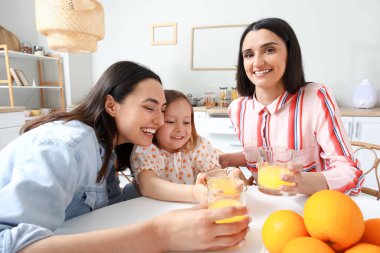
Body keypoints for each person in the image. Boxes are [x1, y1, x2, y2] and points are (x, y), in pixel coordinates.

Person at [0, 61, 250, 253]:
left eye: (162, 111)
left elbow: (111, 207)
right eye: (149, 108)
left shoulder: (105, 152)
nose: (160, 121)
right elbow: (8, 243)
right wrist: (160, 235)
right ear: (111, 106)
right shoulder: (68, 147)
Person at [219, 18, 363, 195]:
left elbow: (350, 173)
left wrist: (302, 182)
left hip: (311, 209)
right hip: (263, 206)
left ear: (290, 54)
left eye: (269, 50)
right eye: (249, 55)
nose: (257, 63)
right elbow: (263, 155)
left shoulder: (316, 97)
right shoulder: (237, 109)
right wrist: (229, 159)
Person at [131, 89, 221, 203]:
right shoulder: (146, 149)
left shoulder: (198, 145)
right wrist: (193, 193)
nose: (180, 129)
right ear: (155, 122)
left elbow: (216, 173)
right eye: (170, 121)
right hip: (155, 211)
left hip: (191, 209)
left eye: (186, 122)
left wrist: (226, 180)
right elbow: (148, 186)